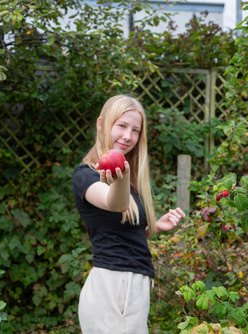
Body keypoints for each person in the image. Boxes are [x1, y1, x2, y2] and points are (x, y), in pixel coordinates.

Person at [72, 94, 185, 333]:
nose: (128, 136)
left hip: (132, 283)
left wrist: (153, 227)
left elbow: (119, 231)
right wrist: (121, 177)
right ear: (102, 124)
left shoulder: (131, 182)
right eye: (121, 126)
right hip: (113, 285)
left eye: (135, 130)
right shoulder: (86, 175)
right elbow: (114, 204)